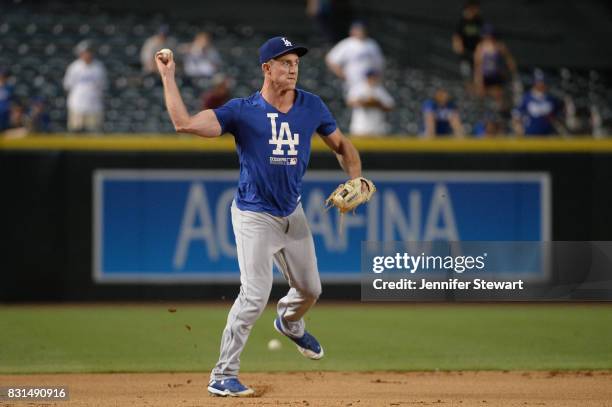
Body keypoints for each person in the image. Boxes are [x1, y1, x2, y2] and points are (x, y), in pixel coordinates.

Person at [155, 36, 370, 397]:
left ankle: (289, 321)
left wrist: (356, 177)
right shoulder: (242, 111)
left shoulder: (312, 106)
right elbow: (184, 123)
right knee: (255, 293)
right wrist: (168, 76)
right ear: (266, 68)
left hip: (292, 212)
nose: (293, 68)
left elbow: (343, 146)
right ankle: (222, 374)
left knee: (311, 289)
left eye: (296, 63)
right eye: (285, 62)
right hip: (254, 215)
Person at [326, 21, 385, 97]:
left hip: (370, 82)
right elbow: (331, 60)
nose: (360, 31)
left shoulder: (372, 44)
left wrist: (378, 78)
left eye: (361, 29)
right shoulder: (347, 43)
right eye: (357, 29)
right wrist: (343, 75)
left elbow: (379, 64)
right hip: (353, 82)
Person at [63, 41, 107, 132]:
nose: (88, 54)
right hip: (77, 105)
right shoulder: (74, 67)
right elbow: (67, 86)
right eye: (85, 52)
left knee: (94, 133)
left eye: (89, 52)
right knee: (75, 132)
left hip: (94, 106)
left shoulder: (99, 67)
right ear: (80, 53)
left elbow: (103, 86)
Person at [473, 24, 518, 111]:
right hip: (485, 75)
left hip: (497, 74)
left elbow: (508, 59)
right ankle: (485, 112)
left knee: (499, 94)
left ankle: (500, 112)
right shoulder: (480, 47)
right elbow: (478, 65)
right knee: (481, 93)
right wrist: (478, 79)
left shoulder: (499, 46)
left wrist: (511, 69)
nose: (488, 37)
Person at [512, 69, 564, 136]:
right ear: (534, 83)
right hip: (530, 134)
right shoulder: (526, 97)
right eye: (539, 82)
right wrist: (518, 128)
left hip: (548, 134)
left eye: (543, 82)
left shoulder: (551, 98)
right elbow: (516, 114)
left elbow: (557, 116)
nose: (541, 84)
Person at [346, 69, 394, 136]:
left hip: (377, 128)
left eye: (374, 76)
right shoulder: (358, 88)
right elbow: (349, 102)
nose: (373, 78)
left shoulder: (380, 90)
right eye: (371, 76)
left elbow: (390, 106)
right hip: (360, 128)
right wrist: (363, 102)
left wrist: (377, 103)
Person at [452, 0, 484, 85]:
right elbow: (457, 36)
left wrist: (479, 50)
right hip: (465, 53)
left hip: (477, 53)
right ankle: (469, 89)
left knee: (477, 74)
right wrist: (458, 46)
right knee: (466, 74)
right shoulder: (462, 22)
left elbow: (482, 37)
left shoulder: (479, 21)